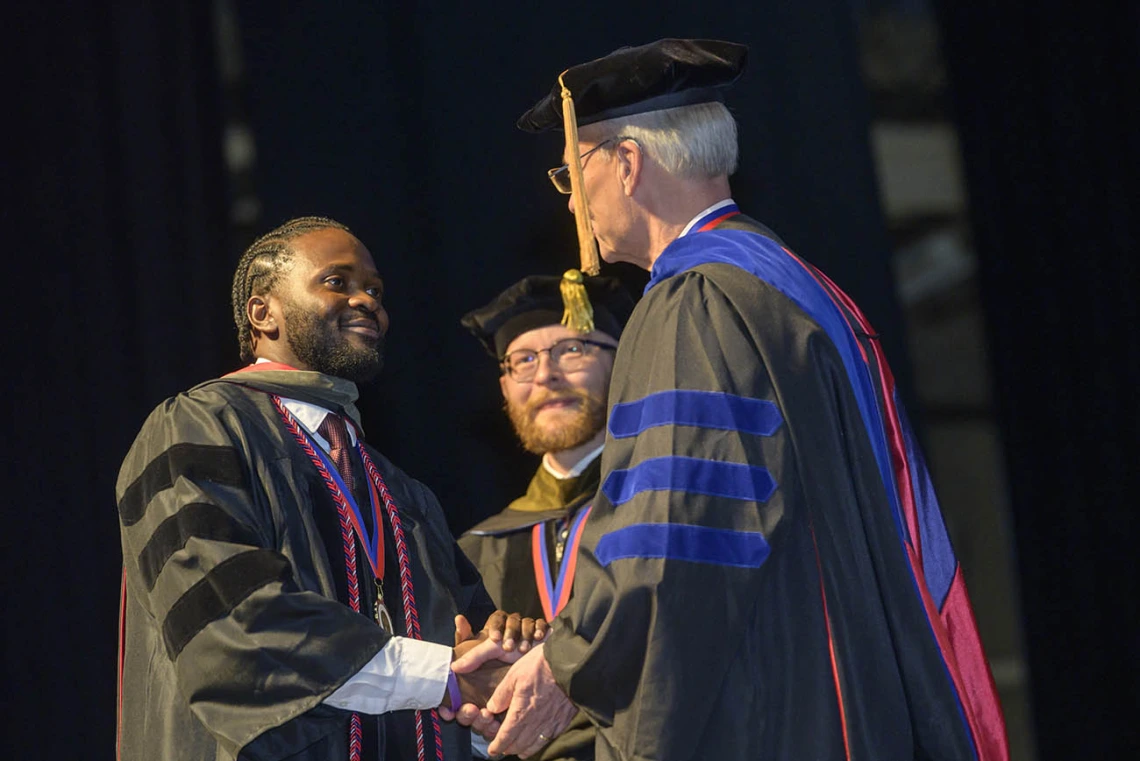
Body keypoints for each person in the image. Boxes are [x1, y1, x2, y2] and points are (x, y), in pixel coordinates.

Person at [459, 39, 1010, 761]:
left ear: (627, 165)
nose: (568, 199)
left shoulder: (695, 300)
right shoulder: (793, 286)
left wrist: (571, 660)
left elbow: (677, 519)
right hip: (838, 677)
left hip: (767, 697)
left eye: (572, 172)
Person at [116, 216, 541, 761]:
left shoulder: (403, 494)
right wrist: (448, 677)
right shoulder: (199, 428)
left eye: (376, 290)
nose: (366, 300)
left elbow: (470, 665)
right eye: (337, 282)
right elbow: (232, 627)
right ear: (261, 311)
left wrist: (500, 681)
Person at [456, 272, 635, 761]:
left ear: (624, 362)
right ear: (504, 386)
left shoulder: (659, 514)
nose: (545, 375)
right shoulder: (474, 552)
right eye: (523, 360)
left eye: (572, 349)